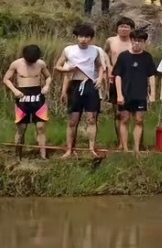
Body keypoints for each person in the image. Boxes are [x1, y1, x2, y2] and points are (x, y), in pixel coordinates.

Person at [56, 24, 104, 158]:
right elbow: (57, 66)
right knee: (73, 120)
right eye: (81, 36)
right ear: (77, 37)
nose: (84, 39)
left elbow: (100, 66)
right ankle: (69, 149)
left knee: (91, 118)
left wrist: (100, 78)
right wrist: (67, 72)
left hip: (90, 84)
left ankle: (91, 148)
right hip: (74, 85)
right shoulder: (68, 50)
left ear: (91, 38)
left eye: (87, 37)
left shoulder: (95, 50)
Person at [4, 44, 51, 158]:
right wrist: (14, 90)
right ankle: (17, 155)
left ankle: (43, 155)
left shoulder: (41, 63)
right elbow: (6, 79)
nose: (31, 63)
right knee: (22, 127)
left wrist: (46, 86)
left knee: (40, 127)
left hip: (38, 97)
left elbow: (48, 77)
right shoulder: (16, 64)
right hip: (22, 97)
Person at [103, 18, 135, 147]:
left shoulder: (134, 41)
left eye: (127, 26)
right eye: (121, 26)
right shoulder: (111, 41)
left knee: (135, 114)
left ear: (131, 29)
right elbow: (103, 54)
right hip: (114, 79)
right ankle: (120, 142)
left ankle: (136, 142)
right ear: (117, 28)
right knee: (117, 113)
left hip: (132, 80)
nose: (124, 29)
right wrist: (109, 67)